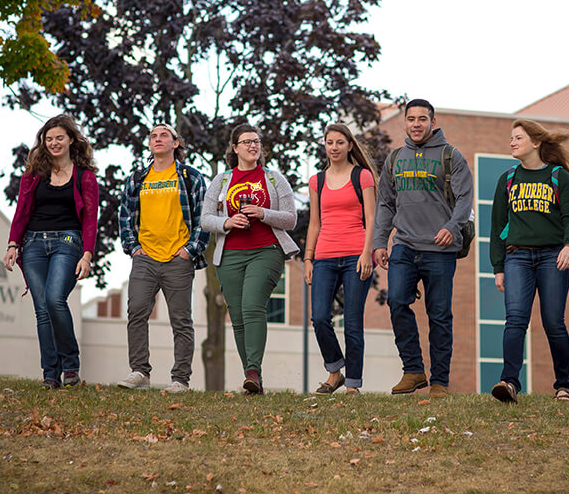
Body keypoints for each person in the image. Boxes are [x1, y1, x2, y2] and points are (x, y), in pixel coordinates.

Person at [373, 99, 474, 399]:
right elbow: (385, 205)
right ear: (404, 122)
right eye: (411, 119)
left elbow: (465, 199)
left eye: (422, 119)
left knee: (439, 315)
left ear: (432, 121)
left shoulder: (450, 156)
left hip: (440, 249)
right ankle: (414, 370)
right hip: (403, 244)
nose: (416, 124)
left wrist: (451, 227)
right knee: (397, 302)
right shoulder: (394, 159)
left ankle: (440, 381)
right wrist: (380, 241)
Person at [489, 119, 569, 404]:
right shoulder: (507, 179)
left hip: (552, 256)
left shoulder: (558, 176)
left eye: (518, 138)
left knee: (553, 322)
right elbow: (497, 227)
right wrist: (498, 267)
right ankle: (509, 383)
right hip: (516, 256)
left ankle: (563, 386)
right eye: (511, 138)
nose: (512, 143)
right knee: (515, 320)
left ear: (536, 142)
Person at [201, 124, 299, 395]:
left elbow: (291, 218)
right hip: (229, 253)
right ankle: (252, 380)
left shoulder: (274, 179)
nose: (253, 146)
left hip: (266, 249)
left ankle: (253, 370)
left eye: (256, 141)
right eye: (246, 142)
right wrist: (228, 221)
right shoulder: (221, 180)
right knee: (239, 316)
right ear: (235, 148)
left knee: (253, 306)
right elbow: (206, 219)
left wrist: (263, 212)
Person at [4, 115, 99, 389]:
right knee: (42, 310)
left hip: (68, 241)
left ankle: (70, 366)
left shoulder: (85, 176)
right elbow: (21, 212)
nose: (54, 143)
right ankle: (50, 374)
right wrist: (13, 244)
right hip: (33, 243)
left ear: (71, 139)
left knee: (55, 299)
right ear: (43, 143)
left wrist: (87, 255)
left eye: (59, 137)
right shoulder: (34, 175)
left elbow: (90, 218)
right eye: (49, 139)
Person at [117, 123, 210, 393]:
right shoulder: (137, 179)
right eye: (153, 136)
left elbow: (203, 218)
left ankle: (180, 379)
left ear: (175, 143)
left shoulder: (190, 177)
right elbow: (124, 216)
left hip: (178, 258)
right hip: (145, 257)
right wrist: (133, 247)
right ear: (149, 145)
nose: (158, 139)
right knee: (136, 312)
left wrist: (189, 251)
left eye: (164, 136)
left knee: (181, 320)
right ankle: (140, 373)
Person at [304, 123, 377, 395]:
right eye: (329, 143)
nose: (334, 148)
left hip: (356, 256)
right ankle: (335, 371)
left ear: (349, 146)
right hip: (324, 256)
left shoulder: (363, 177)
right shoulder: (317, 181)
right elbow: (314, 223)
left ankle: (353, 385)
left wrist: (366, 253)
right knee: (320, 317)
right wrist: (308, 258)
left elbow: (371, 220)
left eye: (339, 143)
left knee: (353, 321)